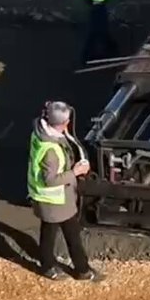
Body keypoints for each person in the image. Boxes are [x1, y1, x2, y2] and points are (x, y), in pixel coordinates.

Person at [27, 100, 97, 281]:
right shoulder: (51, 151)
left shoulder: (40, 132)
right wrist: (75, 172)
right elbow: (50, 180)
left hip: (48, 199)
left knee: (50, 233)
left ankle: (52, 265)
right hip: (55, 200)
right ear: (64, 123)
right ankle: (78, 270)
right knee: (71, 236)